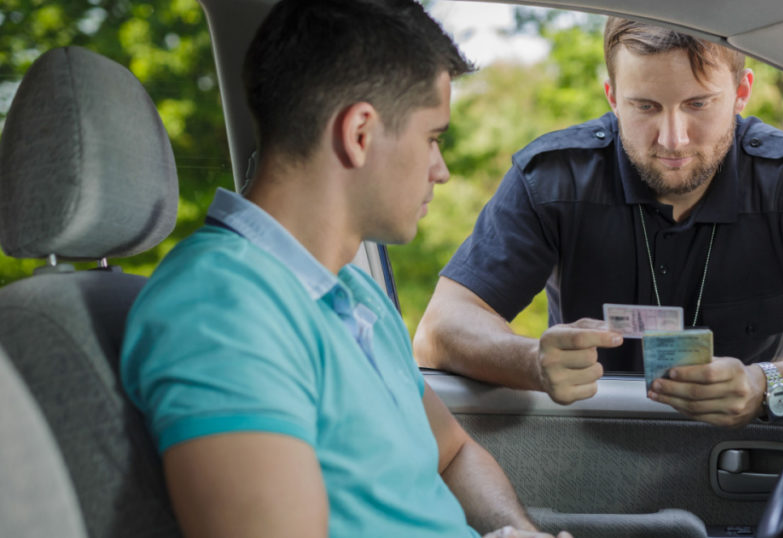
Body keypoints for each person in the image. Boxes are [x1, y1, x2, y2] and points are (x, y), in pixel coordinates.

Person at [120, 1, 569, 536]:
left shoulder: (352, 291)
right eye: (432, 138)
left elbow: (450, 456)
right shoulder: (221, 307)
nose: (441, 171)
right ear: (359, 133)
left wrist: (516, 533)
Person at [414, 17, 783, 427]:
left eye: (698, 104)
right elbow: (440, 328)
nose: (673, 138)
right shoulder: (552, 179)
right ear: (611, 96)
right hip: (586, 453)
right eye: (645, 106)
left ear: (741, 93)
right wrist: (530, 361)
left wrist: (771, 382)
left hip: (743, 454)